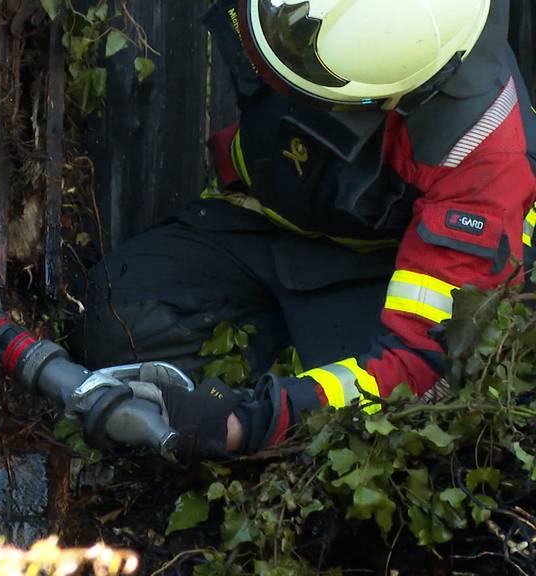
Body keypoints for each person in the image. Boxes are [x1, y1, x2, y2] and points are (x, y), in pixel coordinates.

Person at [73, 0, 536, 462]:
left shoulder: (483, 150)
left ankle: (277, 391)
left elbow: (425, 365)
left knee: (381, 437)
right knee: (117, 321)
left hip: (386, 271)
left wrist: (241, 425)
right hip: (263, 215)